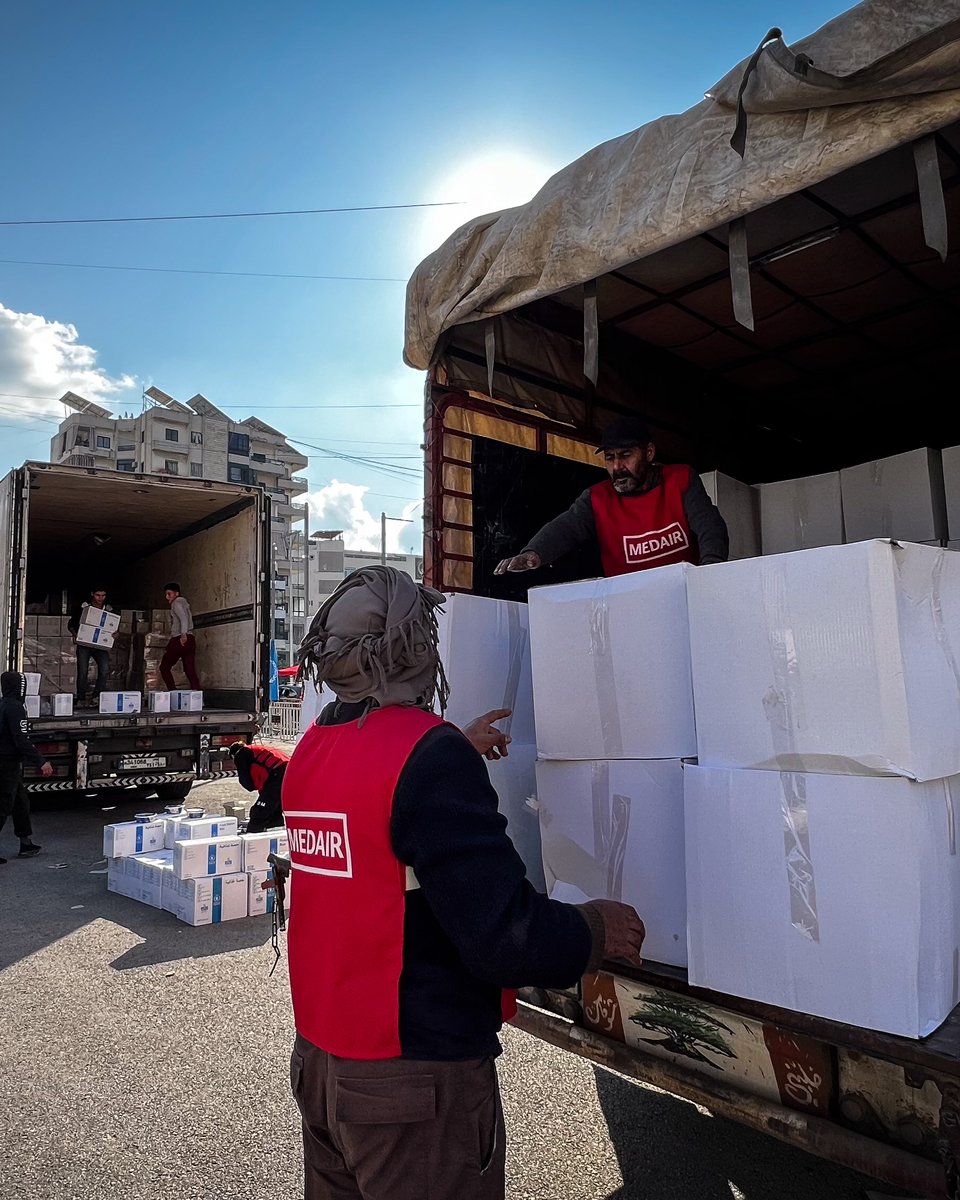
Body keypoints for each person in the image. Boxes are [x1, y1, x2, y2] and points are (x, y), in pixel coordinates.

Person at [282, 566, 645, 1200]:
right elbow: (504, 937)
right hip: (411, 1090)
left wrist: (448, 747)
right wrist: (595, 928)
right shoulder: (427, 757)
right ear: (412, 648)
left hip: (322, 1072)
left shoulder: (312, 750)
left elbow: (379, 823)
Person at [495, 416, 729, 578]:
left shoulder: (681, 479)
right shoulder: (597, 498)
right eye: (609, 458)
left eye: (625, 455)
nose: (617, 467)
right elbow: (566, 527)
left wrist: (709, 574)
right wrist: (534, 552)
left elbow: (710, 526)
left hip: (686, 598)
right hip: (627, 608)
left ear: (649, 453)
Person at [0, 671, 53, 863]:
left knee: (20, 802)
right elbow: (21, 739)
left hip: (7, 761)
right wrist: (41, 761)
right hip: (7, 763)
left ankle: (25, 842)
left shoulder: (2, 704)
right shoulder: (15, 708)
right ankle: (25, 842)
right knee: (3, 804)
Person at [228, 741, 290, 833]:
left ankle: (252, 835)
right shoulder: (257, 750)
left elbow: (248, 784)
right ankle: (276, 834)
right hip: (289, 773)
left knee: (260, 812)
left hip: (277, 775)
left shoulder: (241, 753)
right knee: (274, 811)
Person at [67, 586, 113, 706]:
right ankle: (81, 698)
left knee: (104, 669)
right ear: (92, 594)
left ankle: (96, 696)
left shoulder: (109, 610)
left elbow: (113, 626)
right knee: (83, 671)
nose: (100, 598)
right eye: (98, 595)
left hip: (100, 645)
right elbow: (71, 624)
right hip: (84, 644)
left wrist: (115, 633)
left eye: (103, 596)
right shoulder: (84, 608)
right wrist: (76, 635)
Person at [159, 582, 201, 690]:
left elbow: (183, 618)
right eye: (166, 594)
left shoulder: (176, 603)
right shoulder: (185, 604)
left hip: (179, 639)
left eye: (169, 594)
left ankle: (173, 692)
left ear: (176, 593)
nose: (167, 597)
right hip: (190, 639)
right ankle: (197, 694)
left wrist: (183, 634)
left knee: (164, 667)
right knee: (190, 669)